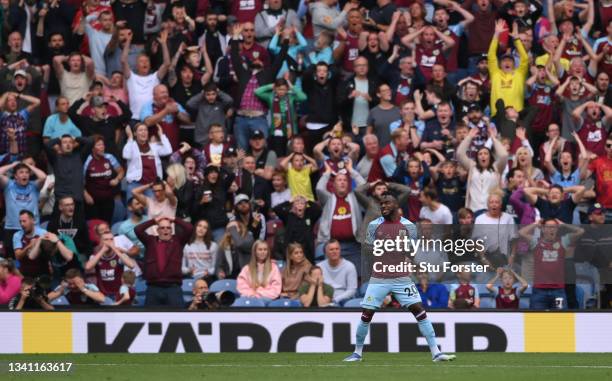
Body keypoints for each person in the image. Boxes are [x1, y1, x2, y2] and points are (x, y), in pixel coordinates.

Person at [343, 193, 455, 362]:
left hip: (401, 277)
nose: (383, 206)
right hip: (379, 277)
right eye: (381, 204)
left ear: (396, 205)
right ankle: (357, 353)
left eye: (387, 203)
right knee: (367, 314)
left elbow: (411, 252)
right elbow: (368, 250)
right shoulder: (374, 225)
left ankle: (436, 353)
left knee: (419, 310)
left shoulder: (408, 226)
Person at [519, 219, 584, 309]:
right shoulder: (536, 242)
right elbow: (521, 232)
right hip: (539, 292)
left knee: (560, 318)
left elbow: (581, 231)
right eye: (548, 227)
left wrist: (564, 224)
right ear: (543, 229)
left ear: (557, 229)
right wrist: (535, 224)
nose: (551, 229)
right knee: (536, 319)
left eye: (554, 227)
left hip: (558, 292)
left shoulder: (563, 241)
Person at [135, 216, 193, 306]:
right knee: (151, 319)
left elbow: (189, 228)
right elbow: (138, 229)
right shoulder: (150, 241)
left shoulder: (178, 241)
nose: (165, 230)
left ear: (171, 230)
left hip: (173, 288)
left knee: (177, 318)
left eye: (168, 228)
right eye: (162, 228)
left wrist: (174, 219)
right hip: (153, 287)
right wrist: (154, 221)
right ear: (157, 230)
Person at [85, 231, 137, 300]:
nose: (109, 242)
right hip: (103, 295)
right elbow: (87, 267)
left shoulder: (119, 255)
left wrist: (115, 249)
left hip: (118, 294)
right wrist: (102, 250)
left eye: (111, 239)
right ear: (101, 242)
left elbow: (131, 265)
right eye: (106, 239)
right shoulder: (96, 256)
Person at [318, 239, 357, 305]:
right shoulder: (319, 267)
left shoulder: (349, 266)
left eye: (337, 249)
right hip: (324, 297)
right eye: (331, 249)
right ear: (325, 252)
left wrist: (336, 299)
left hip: (343, 299)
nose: (335, 251)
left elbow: (352, 290)